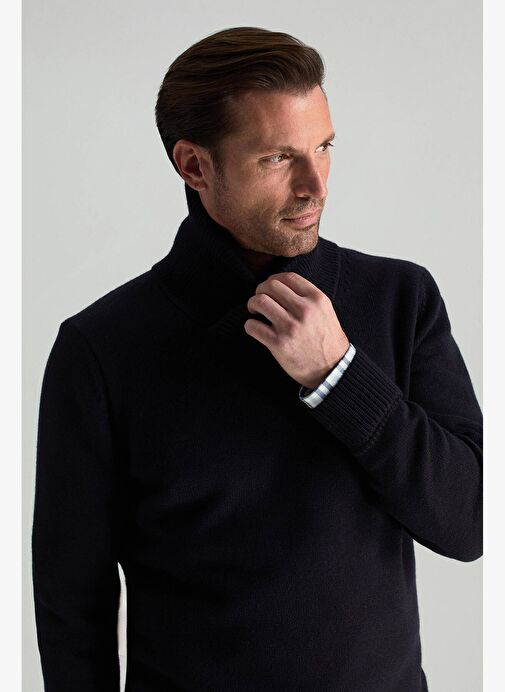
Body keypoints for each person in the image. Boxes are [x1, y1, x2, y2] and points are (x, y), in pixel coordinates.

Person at [31, 26, 483, 692]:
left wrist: (340, 377)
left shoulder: (400, 298)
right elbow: (72, 603)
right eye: (277, 158)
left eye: (323, 147)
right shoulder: (102, 348)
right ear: (194, 166)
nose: (314, 184)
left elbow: (471, 521)